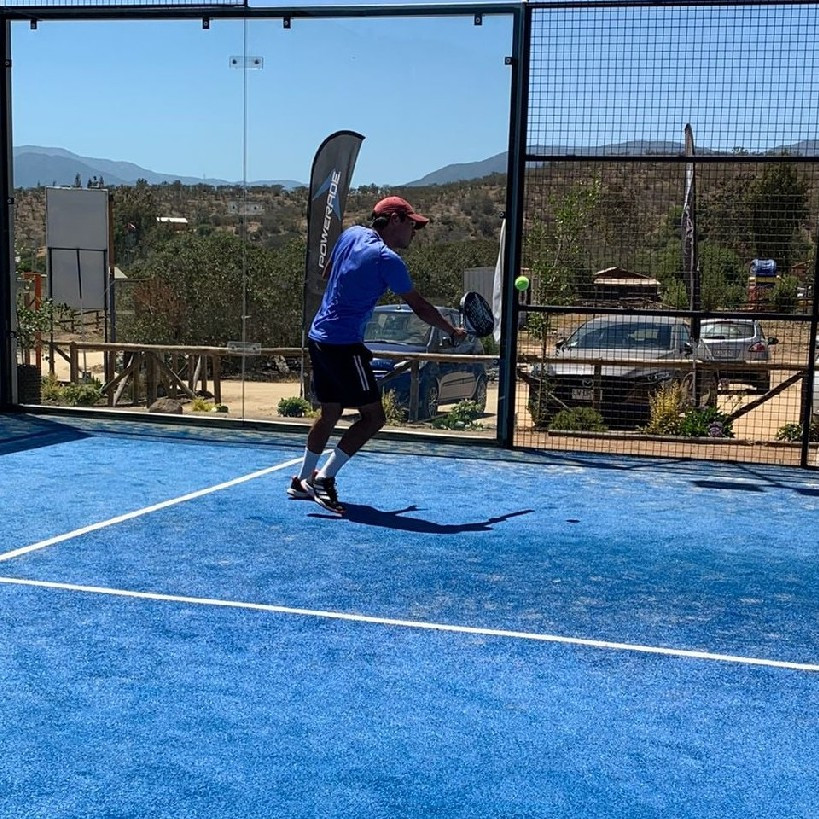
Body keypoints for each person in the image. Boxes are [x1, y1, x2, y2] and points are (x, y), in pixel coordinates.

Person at [287, 195, 468, 514]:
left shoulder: (351, 234)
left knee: (330, 412)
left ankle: (302, 480)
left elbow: (328, 272)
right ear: (395, 220)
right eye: (412, 225)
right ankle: (323, 479)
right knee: (373, 418)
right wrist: (452, 330)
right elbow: (420, 307)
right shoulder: (388, 260)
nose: (415, 232)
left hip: (319, 337)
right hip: (344, 345)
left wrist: (355, 286)